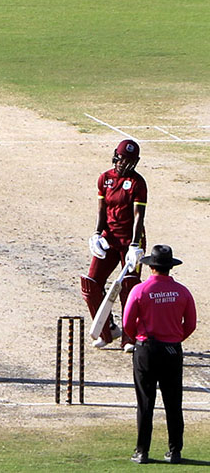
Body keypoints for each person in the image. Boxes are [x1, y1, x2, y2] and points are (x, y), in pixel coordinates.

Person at [123, 245, 196, 464]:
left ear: (151, 267)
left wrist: (139, 337)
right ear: (169, 268)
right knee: (173, 402)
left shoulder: (140, 290)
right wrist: (175, 338)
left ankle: (142, 451)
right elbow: (190, 324)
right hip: (172, 349)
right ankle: (175, 451)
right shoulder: (182, 292)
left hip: (146, 349)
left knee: (145, 401)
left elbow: (127, 323)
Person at [81, 139, 147, 351]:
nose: (121, 163)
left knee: (129, 287)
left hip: (130, 241)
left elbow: (139, 217)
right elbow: (101, 211)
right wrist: (97, 234)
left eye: (127, 160)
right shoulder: (105, 179)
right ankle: (107, 329)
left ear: (134, 162)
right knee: (91, 284)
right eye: (119, 157)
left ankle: (130, 337)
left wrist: (135, 246)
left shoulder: (138, 183)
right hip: (109, 239)